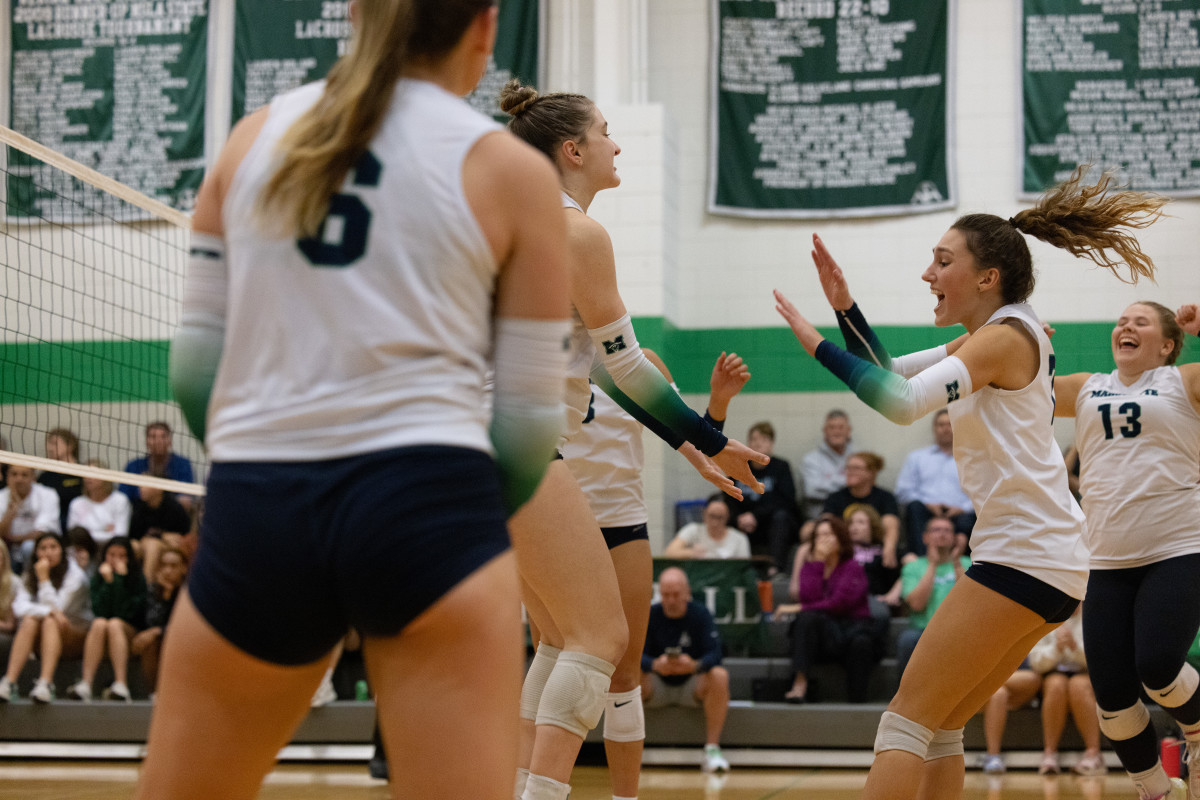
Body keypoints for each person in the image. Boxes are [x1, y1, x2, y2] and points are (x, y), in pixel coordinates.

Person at [135, 2, 573, 798]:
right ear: (485, 25)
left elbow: (197, 378)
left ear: (351, 12)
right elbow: (527, 427)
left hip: (262, 506)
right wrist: (451, 526)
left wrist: (265, 473)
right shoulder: (513, 174)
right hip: (429, 507)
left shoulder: (247, 141)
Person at [774, 164, 1167, 799]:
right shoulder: (999, 332)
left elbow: (899, 402)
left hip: (1025, 554)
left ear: (987, 277)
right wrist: (846, 308)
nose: (928, 274)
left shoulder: (1005, 337)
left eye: (941, 261)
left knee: (904, 721)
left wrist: (817, 342)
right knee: (944, 723)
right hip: (1051, 559)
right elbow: (887, 369)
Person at [501, 80, 767, 800]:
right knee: (600, 639)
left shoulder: (499, 221)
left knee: (561, 639)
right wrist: (709, 441)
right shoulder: (576, 231)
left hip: (459, 441)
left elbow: (617, 379)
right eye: (608, 131)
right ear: (574, 149)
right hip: (510, 440)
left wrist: (699, 440)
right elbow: (628, 367)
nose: (618, 144)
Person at [561, 350, 750, 800]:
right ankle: (540, 786)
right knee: (555, 658)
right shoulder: (543, 350)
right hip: (560, 522)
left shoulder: (640, 361)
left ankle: (625, 796)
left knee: (623, 675)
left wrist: (718, 403)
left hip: (623, 521)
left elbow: (698, 440)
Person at [1053, 300, 1200, 800]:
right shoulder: (1088, 385)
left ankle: (1198, 728)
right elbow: (1016, 389)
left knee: (1158, 667)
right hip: (1107, 559)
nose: (1125, 326)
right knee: (1113, 699)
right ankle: (1158, 791)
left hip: (1178, 547)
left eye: (1140, 321)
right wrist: (1025, 343)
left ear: (1166, 344)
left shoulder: (1184, 381)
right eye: (1121, 321)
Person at [980, 606, 1105, 778]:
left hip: (1086, 673)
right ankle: (1049, 754)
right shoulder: (1047, 616)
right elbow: (1036, 662)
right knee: (1055, 685)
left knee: (1078, 686)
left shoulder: (1094, 614)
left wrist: (1074, 648)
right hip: (1050, 673)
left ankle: (1093, 754)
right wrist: (1056, 649)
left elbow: (1100, 659)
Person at [776, 513, 880, 703]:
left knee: (862, 643)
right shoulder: (811, 567)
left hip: (851, 630)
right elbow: (809, 598)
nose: (823, 540)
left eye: (829, 534)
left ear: (841, 538)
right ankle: (800, 683)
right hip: (823, 634)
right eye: (819, 536)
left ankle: (857, 703)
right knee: (807, 620)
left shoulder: (853, 567)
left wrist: (796, 608)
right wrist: (818, 563)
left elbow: (838, 604)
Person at [641, 567, 732, 774]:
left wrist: (694, 665)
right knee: (629, 676)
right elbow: (634, 656)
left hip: (692, 685)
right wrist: (655, 665)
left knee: (719, 675)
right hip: (656, 685)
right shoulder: (650, 615)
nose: (671, 600)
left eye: (676, 595)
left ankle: (712, 750)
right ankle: (632, 747)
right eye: (665, 595)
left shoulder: (700, 614)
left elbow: (716, 654)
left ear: (687, 593)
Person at [0, 532, 91, 703]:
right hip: (46, 635)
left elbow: (59, 608)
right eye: (43, 548)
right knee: (31, 620)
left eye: (53, 547)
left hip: (76, 636)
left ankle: (46, 683)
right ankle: (10, 681)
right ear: (36, 553)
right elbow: (20, 607)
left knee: (50, 620)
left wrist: (44, 579)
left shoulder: (76, 575)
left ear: (62, 551)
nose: (48, 552)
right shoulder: (30, 574)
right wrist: (47, 612)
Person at [66, 537, 147, 703]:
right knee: (100, 623)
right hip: (104, 633)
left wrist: (118, 581)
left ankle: (121, 684)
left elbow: (127, 612)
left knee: (115, 623)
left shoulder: (138, 578)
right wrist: (109, 582)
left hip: (131, 634)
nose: (116, 559)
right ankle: (86, 683)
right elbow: (99, 611)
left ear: (129, 558)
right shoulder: (98, 578)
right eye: (112, 554)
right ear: (104, 556)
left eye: (122, 555)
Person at [896, 517, 970, 678]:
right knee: (907, 640)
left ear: (955, 537)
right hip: (923, 630)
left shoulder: (968, 563)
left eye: (947, 530)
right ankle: (907, 699)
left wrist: (956, 562)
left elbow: (970, 602)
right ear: (925, 537)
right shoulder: (913, 567)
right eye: (936, 530)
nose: (942, 534)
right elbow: (916, 604)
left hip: (959, 630)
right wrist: (932, 565)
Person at [894, 409, 975, 555]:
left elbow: (981, 492)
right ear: (934, 428)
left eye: (949, 424)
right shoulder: (917, 458)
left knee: (971, 517)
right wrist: (927, 504)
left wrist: (963, 508)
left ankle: (965, 567)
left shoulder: (971, 459)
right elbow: (903, 491)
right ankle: (921, 561)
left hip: (960, 514)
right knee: (914, 507)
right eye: (940, 425)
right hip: (926, 512)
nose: (945, 429)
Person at [723, 422, 800, 573]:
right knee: (721, 512)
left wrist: (756, 516)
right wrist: (739, 518)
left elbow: (786, 500)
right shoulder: (737, 468)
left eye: (764, 439)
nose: (758, 443)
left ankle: (775, 568)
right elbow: (728, 498)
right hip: (744, 523)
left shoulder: (781, 467)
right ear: (748, 443)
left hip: (772, 523)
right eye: (754, 439)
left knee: (782, 516)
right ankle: (733, 570)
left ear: (771, 444)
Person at [821, 452, 900, 568]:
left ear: (871, 473)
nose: (850, 471)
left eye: (856, 468)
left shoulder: (885, 497)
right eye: (848, 467)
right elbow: (825, 523)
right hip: (842, 547)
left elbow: (891, 524)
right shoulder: (835, 497)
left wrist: (889, 547)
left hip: (874, 548)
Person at [130, 545, 187, 696]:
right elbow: (150, 621)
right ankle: (155, 693)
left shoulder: (189, 592)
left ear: (184, 568)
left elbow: (183, 626)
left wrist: (158, 630)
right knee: (150, 642)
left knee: (156, 637)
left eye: (173, 566)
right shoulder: (152, 590)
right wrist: (165, 596)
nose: (168, 570)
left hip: (183, 641)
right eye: (164, 565)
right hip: (158, 641)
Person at [0, 464, 62, 574]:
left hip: (36, 547)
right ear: (7, 477)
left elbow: (41, 533)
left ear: (33, 477)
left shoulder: (47, 494)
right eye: (14, 474)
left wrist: (13, 539)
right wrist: (9, 514)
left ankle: (32, 581)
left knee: (28, 547)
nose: (19, 479)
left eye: (24, 475)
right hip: (9, 549)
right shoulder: (2, 496)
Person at [121, 422, 195, 511]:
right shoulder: (133, 466)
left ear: (170, 441)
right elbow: (122, 499)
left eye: (163, 436)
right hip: (141, 517)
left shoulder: (182, 464)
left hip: (173, 517)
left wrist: (153, 496)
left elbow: (185, 500)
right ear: (146, 442)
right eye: (153, 437)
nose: (158, 441)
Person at [800, 410, 854, 522]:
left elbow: (865, 487)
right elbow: (812, 491)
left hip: (852, 518)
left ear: (848, 431)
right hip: (819, 519)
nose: (836, 432)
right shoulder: (811, 459)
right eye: (832, 427)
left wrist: (827, 482)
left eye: (840, 427)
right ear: (825, 431)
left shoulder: (858, 457)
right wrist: (848, 484)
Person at [66, 462, 132, 549]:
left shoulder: (120, 500)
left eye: (92, 474)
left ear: (104, 476)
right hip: (84, 550)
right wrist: (105, 532)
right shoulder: (77, 503)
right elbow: (74, 536)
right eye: (85, 474)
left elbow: (120, 535)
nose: (88, 478)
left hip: (111, 549)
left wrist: (88, 533)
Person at [666, 494, 752, 560]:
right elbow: (669, 552)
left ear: (727, 517)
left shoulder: (739, 539)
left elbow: (744, 567)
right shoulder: (693, 530)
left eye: (720, 517)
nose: (715, 522)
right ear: (704, 513)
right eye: (712, 516)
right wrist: (691, 552)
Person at [38, 428, 83, 532]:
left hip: (76, 524)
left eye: (54, 443)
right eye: (49, 443)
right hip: (51, 525)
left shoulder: (83, 473)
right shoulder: (45, 476)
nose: (50, 448)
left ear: (70, 446)